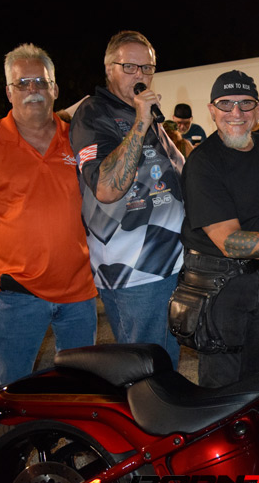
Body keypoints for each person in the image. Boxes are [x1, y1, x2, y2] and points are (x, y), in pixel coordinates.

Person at [0, 44, 98, 388]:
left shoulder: (77, 139)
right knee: (10, 390)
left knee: (81, 389)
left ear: (55, 89)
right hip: (17, 293)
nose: (33, 90)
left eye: (41, 82)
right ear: (8, 92)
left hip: (79, 291)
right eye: (23, 83)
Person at [70, 30, 185, 368]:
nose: (140, 75)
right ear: (109, 69)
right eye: (130, 67)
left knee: (168, 367)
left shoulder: (146, 113)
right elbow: (107, 188)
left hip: (172, 265)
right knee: (145, 372)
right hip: (134, 275)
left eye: (147, 68)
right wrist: (140, 122)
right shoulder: (94, 113)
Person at [180, 71, 259, 387]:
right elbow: (230, 242)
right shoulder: (203, 161)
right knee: (221, 384)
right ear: (211, 110)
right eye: (225, 104)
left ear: (258, 109)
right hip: (218, 283)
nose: (236, 112)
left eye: (245, 103)